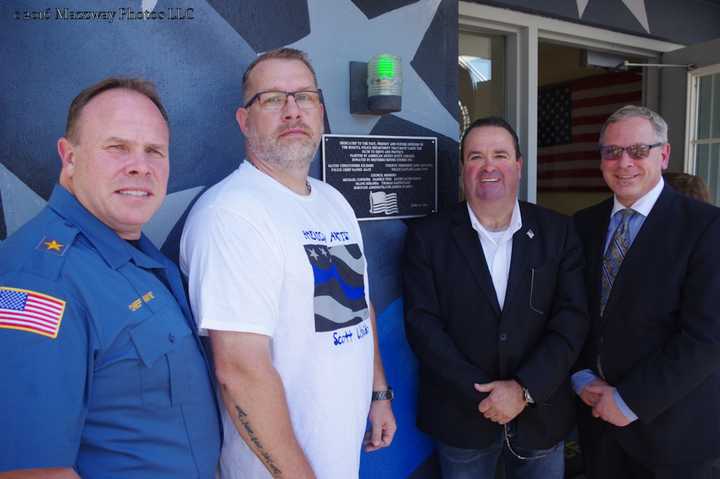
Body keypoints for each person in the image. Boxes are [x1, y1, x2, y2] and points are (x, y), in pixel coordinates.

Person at [180, 48, 396, 479]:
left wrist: (378, 393)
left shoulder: (333, 202)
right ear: (244, 120)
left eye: (305, 97)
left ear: (320, 111)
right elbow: (240, 371)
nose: (293, 111)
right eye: (273, 99)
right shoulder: (232, 214)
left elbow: (359, 306)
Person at [0, 78, 221, 478]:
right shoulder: (40, 282)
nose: (140, 165)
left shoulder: (137, 254)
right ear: (69, 158)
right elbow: (31, 472)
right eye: (117, 147)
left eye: (155, 151)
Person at [403, 116, 589, 479]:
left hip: (541, 416)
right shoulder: (428, 236)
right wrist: (486, 396)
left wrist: (523, 389)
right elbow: (422, 325)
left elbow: (572, 318)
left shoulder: (558, 231)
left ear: (518, 165)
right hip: (462, 419)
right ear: (462, 170)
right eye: (475, 157)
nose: (488, 166)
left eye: (500, 155)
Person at [573, 105, 720, 478]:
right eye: (612, 151)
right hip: (597, 426)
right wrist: (580, 375)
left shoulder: (706, 227)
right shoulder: (582, 225)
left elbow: (706, 338)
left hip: (674, 434)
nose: (624, 163)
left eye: (639, 150)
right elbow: (570, 311)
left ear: (664, 154)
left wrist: (629, 400)